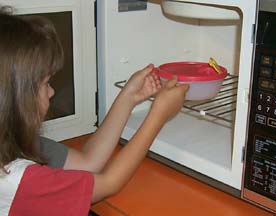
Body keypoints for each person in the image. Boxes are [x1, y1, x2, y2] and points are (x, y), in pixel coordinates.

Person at [0, 8, 189, 216]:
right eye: (46, 83)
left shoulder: (11, 145)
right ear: (16, 97)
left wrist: (129, 97)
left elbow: (87, 163)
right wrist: (158, 115)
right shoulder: (14, 179)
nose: (52, 91)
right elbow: (109, 184)